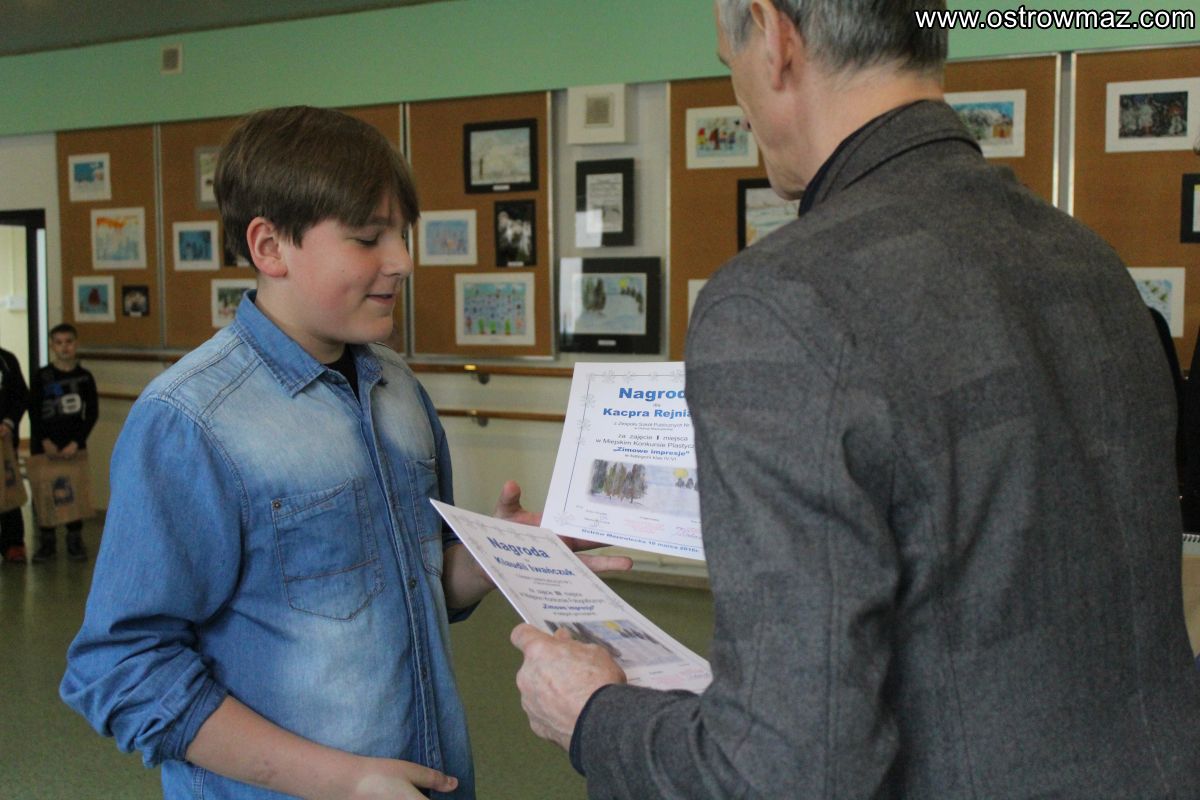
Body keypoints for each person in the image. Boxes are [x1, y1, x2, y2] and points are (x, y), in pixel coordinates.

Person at [510, 2, 1200, 797]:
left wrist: (593, 714)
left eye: (726, 61)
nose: (738, 97)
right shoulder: (1089, 261)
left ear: (774, 37)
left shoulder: (780, 300)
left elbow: (783, 772)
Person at [61, 106, 627, 800]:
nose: (403, 261)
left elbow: (406, 585)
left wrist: (495, 557)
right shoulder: (190, 423)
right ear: (270, 247)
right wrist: (346, 781)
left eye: (401, 234)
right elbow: (122, 669)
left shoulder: (399, 389)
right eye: (367, 238)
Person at [29, 323, 98, 563]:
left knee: (74, 491)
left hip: (73, 446)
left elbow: (92, 413)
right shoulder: (41, 376)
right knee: (46, 492)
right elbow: (34, 411)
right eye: (59, 343)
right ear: (52, 346)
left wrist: (77, 442)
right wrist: (44, 440)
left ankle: (75, 540)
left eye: (68, 342)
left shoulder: (85, 377)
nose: (64, 347)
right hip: (44, 446)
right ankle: (47, 542)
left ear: (75, 344)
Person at [0, 346, 29, 564]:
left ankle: (13, 544)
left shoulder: (6, 360)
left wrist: (9, 423)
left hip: (5, 440)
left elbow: (21, 396)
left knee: (8, 490)